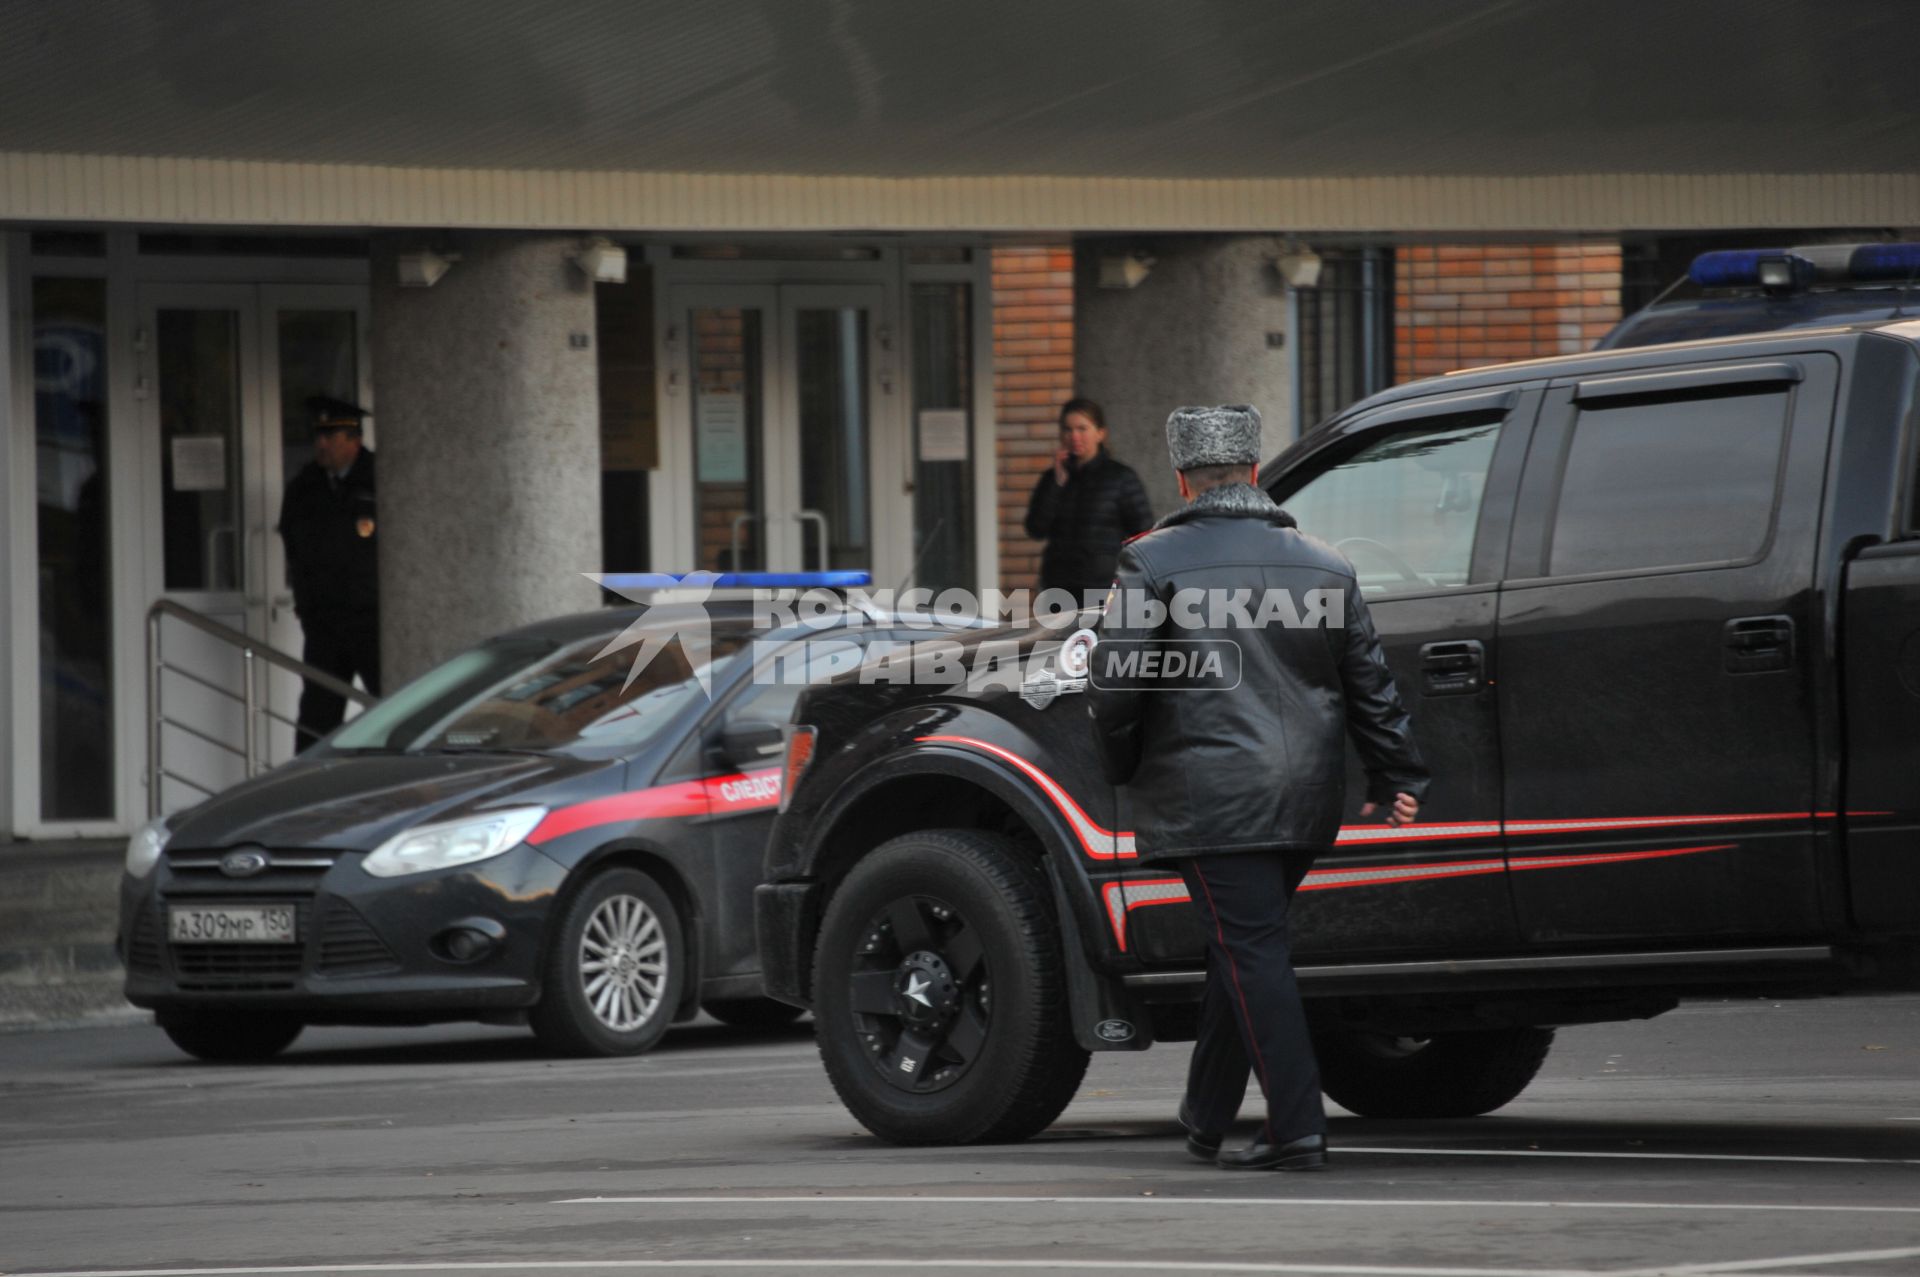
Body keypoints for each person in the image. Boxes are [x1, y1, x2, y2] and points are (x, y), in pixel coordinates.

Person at [1086, 404, 1429, 1172]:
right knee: (1243, 944)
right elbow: (1369, 683)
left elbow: (1116, 687)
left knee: (1249, 949)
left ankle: (1295, 1124)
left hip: (1215, 796)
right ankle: (1206, 1113)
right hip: (1305, 796)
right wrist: (1397, 772)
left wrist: (1121, 764)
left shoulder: (1153, 560)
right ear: (1251, 472)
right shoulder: (1325, 562)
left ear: (1181, 478)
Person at [278, 395, 381, 750]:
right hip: (324, 623)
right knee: (316, 719)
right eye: (318, 436)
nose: (320, 444)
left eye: (330, 436)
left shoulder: (381, 479)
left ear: (353, 439)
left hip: (372, 621)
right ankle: (304, 792)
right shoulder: (305, 487)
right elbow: (292, 544)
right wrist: (306, 603)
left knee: (393, 706)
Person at [1023, 397, 1152, 606]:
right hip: (1059, 589)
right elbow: (1035, 529)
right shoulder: (1053, 478)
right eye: (1068, 429)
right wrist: (1057, 484)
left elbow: (1144, 533)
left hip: (1103, 588)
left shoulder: (1121, 478)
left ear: (1100, 433)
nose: (1074, 436)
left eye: (1082, 429)